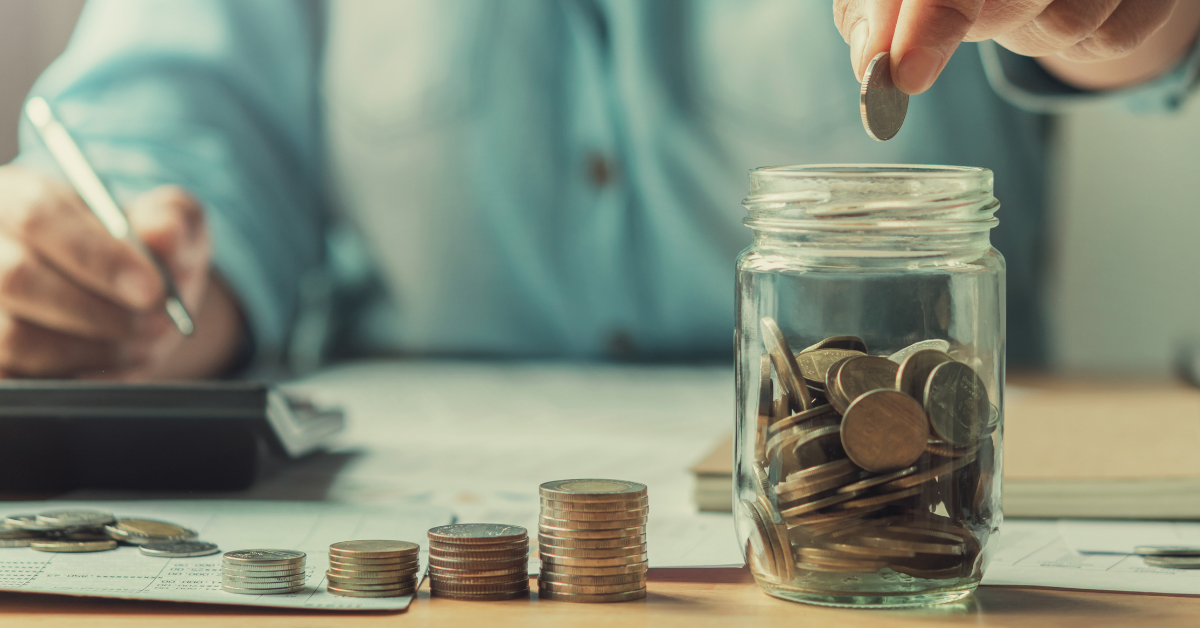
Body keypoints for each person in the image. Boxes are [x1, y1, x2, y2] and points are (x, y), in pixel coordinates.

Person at [1, 0, 1198, 380]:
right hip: (428, 534)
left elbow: (1139, 40)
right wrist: (111, 287)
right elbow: (169, 134)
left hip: (906, 503)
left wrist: (1113, 18)